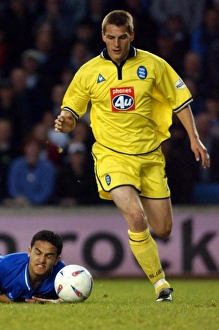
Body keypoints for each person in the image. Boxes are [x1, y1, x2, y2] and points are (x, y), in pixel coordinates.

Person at [54, 10, 210, 302]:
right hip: (112, 156)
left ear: (131, 36)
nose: (116, 43)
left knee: (162, 229)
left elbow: (180, 101)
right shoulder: (88, 71)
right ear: (103, 36)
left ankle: (149, 255)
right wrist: (65, 120)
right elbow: (72, 110)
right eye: (110, 37)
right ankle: (160, 284)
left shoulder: (153, 65)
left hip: (150, 157)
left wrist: (194, 138)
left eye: (122, 37)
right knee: (136, 218)